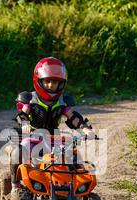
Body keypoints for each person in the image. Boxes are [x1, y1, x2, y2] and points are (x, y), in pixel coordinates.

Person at [10, 57, 95, 192]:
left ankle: (76, 187)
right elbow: (22, 115)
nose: (50, 85)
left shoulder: (63, 102)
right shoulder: (31, 100)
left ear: (61, 83)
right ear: (39, 81)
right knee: (18, 151)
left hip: (53, 138)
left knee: (74, 155)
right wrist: (24, 123)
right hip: (32, 137)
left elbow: (74, 118)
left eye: (54, 82)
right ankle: (15, 184)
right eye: (47, 81)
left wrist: (85, 129)